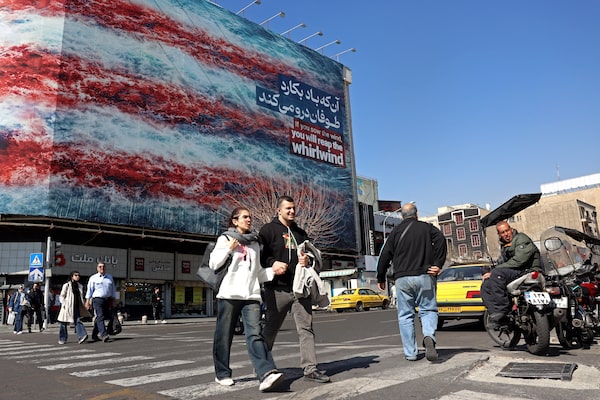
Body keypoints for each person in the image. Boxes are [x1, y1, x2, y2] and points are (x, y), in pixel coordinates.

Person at [210, 207, 286, 392]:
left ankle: (266, 373)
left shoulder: (254, 243)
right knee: (223, 335)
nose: (249, 219)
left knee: (255, 334)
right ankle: (222, 373)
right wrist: (228, 250)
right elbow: (214, 264)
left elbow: (257, 272)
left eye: (250, 217)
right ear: (235, 221)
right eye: (244, 217)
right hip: (229, 295)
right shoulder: (225, 239)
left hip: (251, 295)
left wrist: (272, 271)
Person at [259, 196, 330, 383]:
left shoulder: (300, 233)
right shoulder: (268, 230)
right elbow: (260, 256)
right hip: (277, 289)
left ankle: (310, 369)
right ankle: (263, 368)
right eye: (287, 208)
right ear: (278, 210)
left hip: (300, 289)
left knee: (306, 329)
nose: (292, 211)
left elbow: (311, 254)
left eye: (293, 208)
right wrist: (273, 263)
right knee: (270, 329)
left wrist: (307, 260)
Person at [377, 202, 447, 362]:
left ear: (402, 217)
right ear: (417, 215)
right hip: (424, 275)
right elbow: (441, 240)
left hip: (402, 278)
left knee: (405, 315)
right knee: (428, 310)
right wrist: (438, 264)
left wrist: (381, 277)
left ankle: (411, 353)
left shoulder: (395, 232)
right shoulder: (427, 228)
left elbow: (385, 255)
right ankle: (429, 336)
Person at [481, 221, 541, 328]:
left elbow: (520, 260)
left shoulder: (521, 238)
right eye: (502, 232)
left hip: (527, 270)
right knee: (486, 285)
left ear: (511, 229)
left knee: (497, 274)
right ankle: (496, 315)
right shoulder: (504, 245)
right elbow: (503, 262)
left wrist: (495, 271)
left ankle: (503, 311)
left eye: (507, 230)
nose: (506, 234)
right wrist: (488, 271)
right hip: (515, 271)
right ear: (499, 234)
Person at [85, 263, 116, 342]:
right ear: (97, 268)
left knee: (102, 317)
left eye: (103, 266)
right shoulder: (93, 278)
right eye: (100, 266)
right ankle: (104, 335)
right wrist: (87, 301)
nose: (102, 268)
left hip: (107, 300)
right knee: (100, 316)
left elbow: (113, 289)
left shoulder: (109, 277)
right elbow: (89, 290)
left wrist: (114, 300)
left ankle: (94, 335)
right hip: (97, 300)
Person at [57, 271, 91, 344]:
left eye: (78, 275)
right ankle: (62, 338)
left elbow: (81, 296)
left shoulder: (80, 286)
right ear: (72, 276)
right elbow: (62, 296)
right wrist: (64, 303)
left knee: (78, 321)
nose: (77, 277)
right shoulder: (67, 285)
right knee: (63, 322)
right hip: (67, 307)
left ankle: (82, 336)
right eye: (75, 275)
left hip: (76, 306)